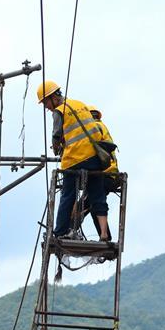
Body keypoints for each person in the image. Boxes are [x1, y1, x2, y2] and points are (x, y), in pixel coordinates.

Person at [37, 80, 112, 241]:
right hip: (94, 158)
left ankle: (60, 232)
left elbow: (56, 135)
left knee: (68, 195)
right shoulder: (81, 104)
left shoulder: (59, 111)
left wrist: (56, 148)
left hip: (74, 159)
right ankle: (104, 234)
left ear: (53, 97)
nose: (46, 107)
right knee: (97, 195)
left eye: (45, 103)